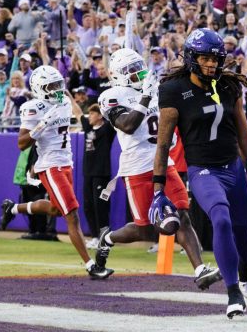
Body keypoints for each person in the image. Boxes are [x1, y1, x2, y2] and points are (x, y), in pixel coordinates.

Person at [152, 29, 247, 318]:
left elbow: (244, 135)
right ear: (192, 58)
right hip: (203, 170)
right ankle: (232, 294)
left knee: (244, 230)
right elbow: (163, 142)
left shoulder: (229, 85)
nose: (210, 65)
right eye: (204, 58)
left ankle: (246, 272)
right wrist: (158, 189)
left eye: (215, 59)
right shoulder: (172, 90)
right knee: (220, 218)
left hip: (234, 168)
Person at [94, 48, 222, 291]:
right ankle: (107, 238)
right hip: (137, 167)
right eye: (129, 71)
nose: (136, 73)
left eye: (137, 68)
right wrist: (144, 97)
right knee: (145, 231)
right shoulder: (111, 95)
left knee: (181, 217)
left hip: (164, 162)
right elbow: (128, 125)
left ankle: (200, 270)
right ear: (118, 75)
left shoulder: (156, 90)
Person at [0, 65, 113, 280]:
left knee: (54, 209)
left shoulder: (62, 101)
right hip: (50, 165)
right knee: (72, 215)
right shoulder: (33, 107)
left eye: (58, 84)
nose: (57, 89)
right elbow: (21, 143)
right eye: (52, 86)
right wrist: (42, 125)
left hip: (65, 163)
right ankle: (92, 266)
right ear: (40, 88)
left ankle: (12, 208)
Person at [72, 103, 116, 249]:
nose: (89, 116)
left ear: (100, 116)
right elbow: (78, 113)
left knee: (101, 206)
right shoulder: (89, 128)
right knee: (88, 206)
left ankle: (105, 238)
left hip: (101, 173)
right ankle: (95, 237)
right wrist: (69, 96)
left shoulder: (107, 129)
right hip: (88, 173)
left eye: (92, 114)